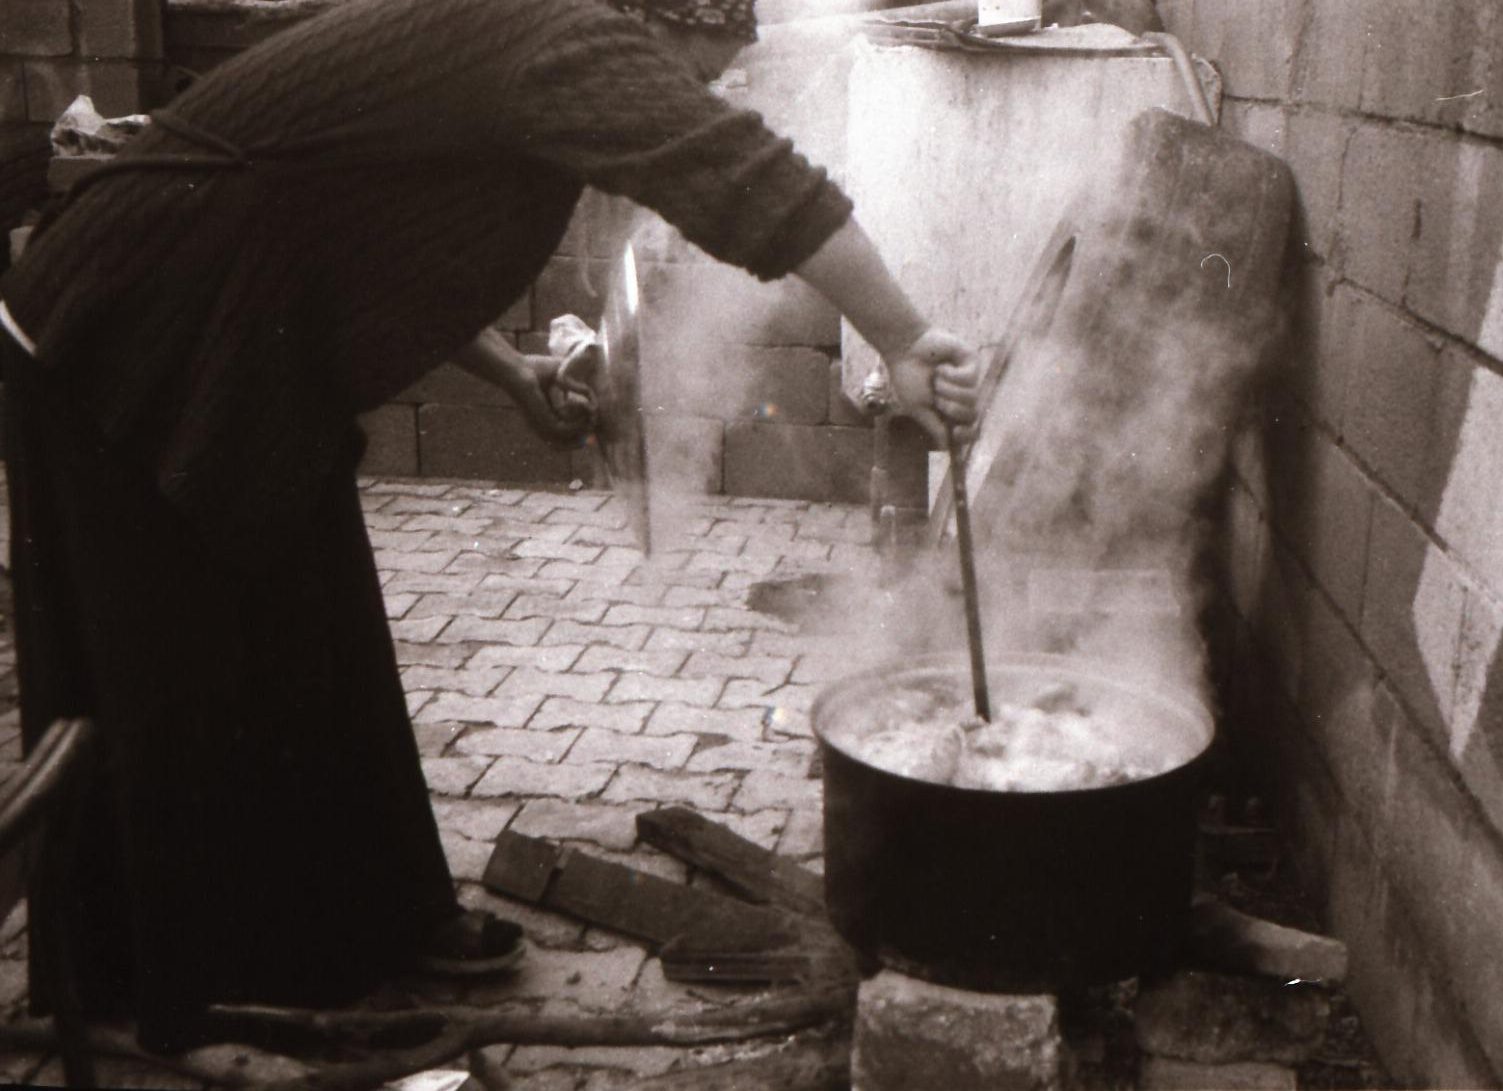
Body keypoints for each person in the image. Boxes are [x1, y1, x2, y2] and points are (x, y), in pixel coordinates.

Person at [0, 0, 979, 1052]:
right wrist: (905, 337)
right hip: (130, 326)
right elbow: (746, 177)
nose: (703, 96)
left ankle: (372, 926)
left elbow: (362, 227)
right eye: (703, 67)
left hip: (230, 337)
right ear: (659, 21)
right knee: (172, 655)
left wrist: (513, 375)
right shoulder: (564, 35)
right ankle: (176, 985)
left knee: (320, 632)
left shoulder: (528, 51)